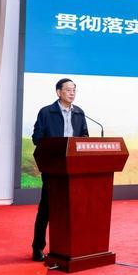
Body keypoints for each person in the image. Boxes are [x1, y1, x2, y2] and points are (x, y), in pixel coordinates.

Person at [31, 78, 89, 261]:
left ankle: (72, 247)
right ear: (58, 92)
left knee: (74, 210)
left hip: (74, 170)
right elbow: (37, 138)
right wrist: (57, 146)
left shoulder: (79, 112)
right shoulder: (46, 112)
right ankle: (37, 247)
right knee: (46, 209)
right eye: (68, 90)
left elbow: (84, 136)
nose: (72, 93)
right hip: (54, 169)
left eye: (74, 90)